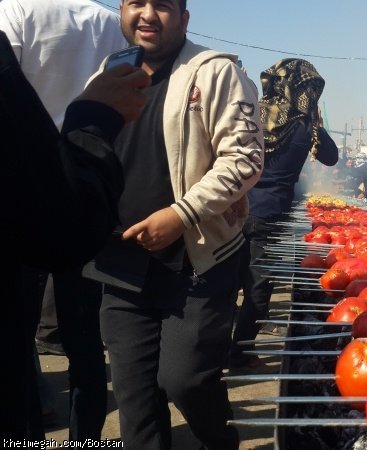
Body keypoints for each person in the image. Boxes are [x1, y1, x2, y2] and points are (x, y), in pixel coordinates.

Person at [92, 0, 263, 447]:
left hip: (197, 259)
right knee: (133, 394)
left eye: (163, 5)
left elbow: (245, 158)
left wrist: (180, 214)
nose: (147, 14)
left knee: (186, 380)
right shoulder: (108, 73)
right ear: (122, 12)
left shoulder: (214, 72)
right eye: (135, 3)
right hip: (121, 260)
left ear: (184, 19)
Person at [0, 28, 149, 438]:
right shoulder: (102, 27)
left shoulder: (16, 16)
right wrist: (93, 122)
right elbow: (66, 223)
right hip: (63, 206)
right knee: (82, 343)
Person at [229, 58, 338, 369]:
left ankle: (217, 349)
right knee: (258, 290)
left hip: (234, 211)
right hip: (271, 216)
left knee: (229, 283)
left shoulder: (249, 115)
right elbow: (330, 157)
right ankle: (240, 353)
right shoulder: (305, 125)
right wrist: (315, 120)